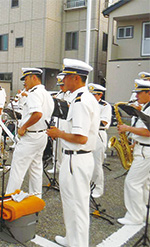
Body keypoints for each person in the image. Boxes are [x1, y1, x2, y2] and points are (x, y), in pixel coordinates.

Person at [47, 58, 99, 247]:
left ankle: (79, 244)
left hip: (77, 159)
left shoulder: (81, 101)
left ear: (76, 78)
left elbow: (81, 138)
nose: (63, 81)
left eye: (66, 77)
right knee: (70, 203)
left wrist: (58, 133)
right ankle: (72, 239)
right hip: (72, 159)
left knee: (77, 206)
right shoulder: (80, 98)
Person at [6, 68, 54, 197]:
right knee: (36, 167)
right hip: (41, 135)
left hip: (31, 136)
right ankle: (36, 197)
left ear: (34, 77)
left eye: (26, 79)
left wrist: (24, 126)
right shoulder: (45, 93)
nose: (24, 83)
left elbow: (37, 114)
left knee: (18, 169)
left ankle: (9, 198)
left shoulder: (34, 93)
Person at [117, 79, 150, 225]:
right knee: (142, 184)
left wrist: (127, 129)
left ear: (148, 93)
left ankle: (135, 217)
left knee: (132, 183)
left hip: (146, 151)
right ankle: (142, 213)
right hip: (142, 148)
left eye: (139, 93)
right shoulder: (146, 107)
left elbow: (148, 132)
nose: (136, 96)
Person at [88, 83, 112, 198]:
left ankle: (98, 188)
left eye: (94, 95)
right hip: (88, 133)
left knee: (97, 163)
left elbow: (104, 122)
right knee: (88, 161)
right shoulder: (87, 103)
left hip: (99, 134)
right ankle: (89, 185)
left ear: (100, 95)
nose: (91, 97)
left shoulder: (105, 106)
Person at [47, 73, 71, 174]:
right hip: (58, 120)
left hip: (67, 122)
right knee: (56, 146)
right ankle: (56, 165)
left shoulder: (71, 94)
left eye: (62, 85)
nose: (61, 87)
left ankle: (65, 167)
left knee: (65, 145)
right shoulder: (60, 94)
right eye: (60, 86)